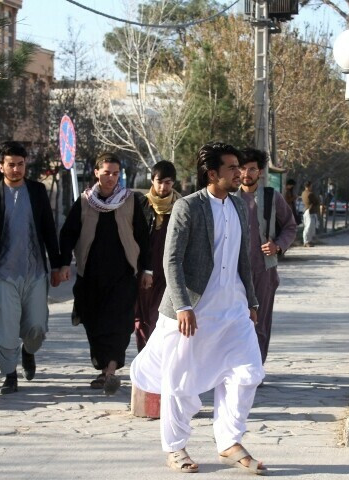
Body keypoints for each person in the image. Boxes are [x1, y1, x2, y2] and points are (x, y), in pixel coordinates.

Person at [130, 142, 266, 474]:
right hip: (192, 310)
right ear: (212, 173)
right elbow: (171, 260)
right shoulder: (189, 207)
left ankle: (229, 441)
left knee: (248, 372)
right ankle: (175, 447)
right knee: (178, 380)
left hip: (232, 308)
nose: (240, 173)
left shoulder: (238, 206)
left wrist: (250, 300)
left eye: (240, 167)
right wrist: (183, 306)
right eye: (232, 167)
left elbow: (243, 259)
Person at [59, 152, 151, 395]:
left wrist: (147, 270)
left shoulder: (130, 200)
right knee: (95, 323)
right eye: (106, 172)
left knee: (119, 324)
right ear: (96, 173)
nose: (111, 177)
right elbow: (68, 233)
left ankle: (110, 371)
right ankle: (102, 367)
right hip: (91, 276)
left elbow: (143, 237)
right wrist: (63, 264)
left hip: (123, 275)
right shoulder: (85, 201)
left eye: (115, 173)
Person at [0, 141, 62, 395]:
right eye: (11, 164)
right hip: (2, 274)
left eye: (20, 164)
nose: (16, 169)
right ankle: (10, 375)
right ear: (1, 166)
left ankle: (28, 352)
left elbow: (48, 229)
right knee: (6, 328)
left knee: (36, 326)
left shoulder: (36, 191)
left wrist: (56, 265)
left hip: (35, 272)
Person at [238, 148, 297, 365]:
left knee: (260, 322)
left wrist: (278, 246)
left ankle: (256, 368)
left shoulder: (272, 197)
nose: (246, 173)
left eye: (251, 169)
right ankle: (236, 368)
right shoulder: (229, 198)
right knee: (236, 321)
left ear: (260, 171)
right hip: (233, 271)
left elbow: (290, 227)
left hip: (264, 270)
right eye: (242, 168)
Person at [133, 161, 180, 351]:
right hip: (144, 271)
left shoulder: (181, 206)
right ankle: (144, 361)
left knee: (159, 319)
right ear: (152, 180)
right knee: (141, 320)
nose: (163, 187)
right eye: (159, 181)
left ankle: (157, 361)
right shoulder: (140, 205)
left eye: (168, 182)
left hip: (169, 274)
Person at [301, 181, 320, 247]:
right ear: (309, 186)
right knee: (309, 227)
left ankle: (308, 240)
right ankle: (306, 241)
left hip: (306, 210)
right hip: (310, 211)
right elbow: (316, 201)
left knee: (308, 226)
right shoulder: (310, 194)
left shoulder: (303, 193)